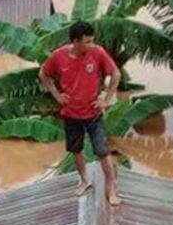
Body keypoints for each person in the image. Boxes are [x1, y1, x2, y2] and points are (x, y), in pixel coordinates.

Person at [39, 20, 122, 206]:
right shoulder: (58, 56)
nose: (91, 45)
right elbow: (43, 74)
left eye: (92, 41)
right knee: (76, 150)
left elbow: (116, 74)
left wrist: (106, 100)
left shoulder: (98, 53)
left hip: (93, 113)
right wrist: (56, 95)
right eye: (87, 42)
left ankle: (111, 188)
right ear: (75, 41)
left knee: (102, 151)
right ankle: (85, 180)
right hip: (71, 114)